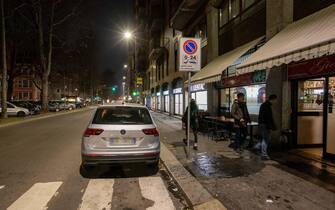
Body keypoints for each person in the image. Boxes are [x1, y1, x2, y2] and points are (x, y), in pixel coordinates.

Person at [255, 94, 278, 160]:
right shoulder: (267, 106)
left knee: (265, 138)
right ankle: (264, 154)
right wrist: (271, 126)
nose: (276, 101)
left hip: (263, 124)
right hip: (265, 125)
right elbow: (268, 118)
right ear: (273, 99)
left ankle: (257, 146)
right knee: (266, 139)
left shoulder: (265, 105)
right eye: (275, 100)